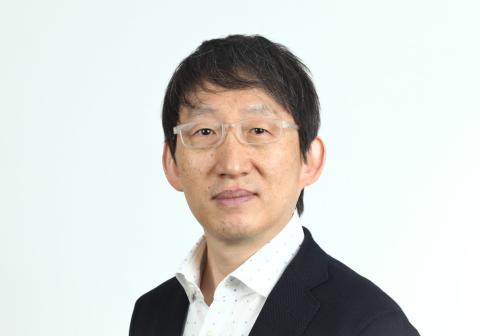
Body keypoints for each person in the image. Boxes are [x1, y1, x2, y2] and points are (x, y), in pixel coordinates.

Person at [129, 34, 420, 336]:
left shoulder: (370, 325)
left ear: (310, 159)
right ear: (172, 163)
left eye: (258, 130)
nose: (232, 164)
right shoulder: (153, 313)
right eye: (204, 132)